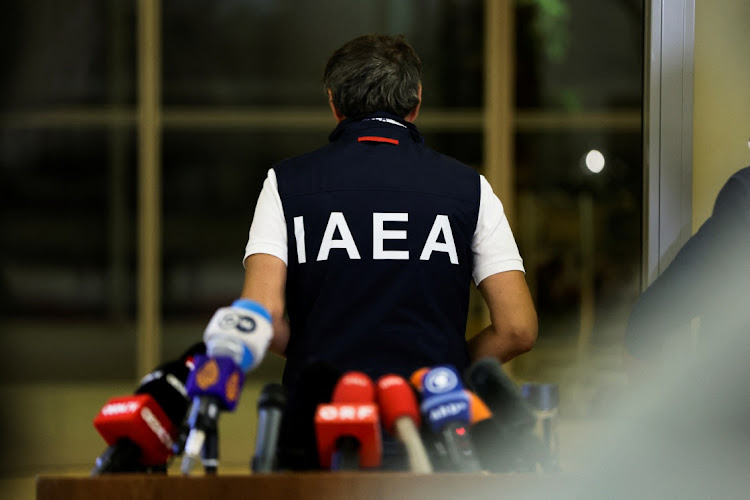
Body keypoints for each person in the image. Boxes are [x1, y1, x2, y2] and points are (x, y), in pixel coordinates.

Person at [239, 33, 537, 470]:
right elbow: (518, 329)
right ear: (416, 101)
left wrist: (320, 349)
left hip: (319, 431)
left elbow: (259, 316)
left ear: (333, 102)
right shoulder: (469, 188)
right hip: (434, 430)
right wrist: (447, 366)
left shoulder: (285, 184)